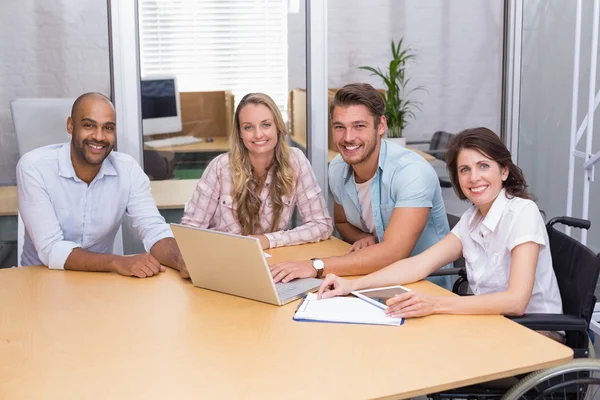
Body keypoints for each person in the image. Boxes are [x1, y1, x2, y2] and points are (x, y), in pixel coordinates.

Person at [318, 127, 563, 337]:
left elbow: (516, 301)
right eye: (464, 169)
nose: (474, 177)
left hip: (534, 334)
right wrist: (353, 285)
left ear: (504, 171)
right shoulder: (473, 219)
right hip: (491, 323)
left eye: (483, 166)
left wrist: (434, 304)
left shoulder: (522, 212)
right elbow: (418, 265)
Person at [270, 83, 450, 287]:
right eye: (340, 127)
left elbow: (394, 252)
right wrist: (367, 237)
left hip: (424, 286)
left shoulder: (411, 172)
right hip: (368, 278)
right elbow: (343, 223)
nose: (348, 138)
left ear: (381, 125)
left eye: (359, 126)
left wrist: (315, 266)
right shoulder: (338, 168)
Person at [17, 92, 188, 279]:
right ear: (70, 125)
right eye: (89, 125)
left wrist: (182, 260)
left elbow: (153, 229)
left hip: (101, 282)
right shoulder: (34, 167)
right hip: (40, 281)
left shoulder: (127, 169)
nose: (99, 137)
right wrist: (116, 262)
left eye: (108, 128)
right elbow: (51, 249)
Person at [181, 92, 333, 250]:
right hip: (224, 257)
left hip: (273, 259)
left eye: (266, 125)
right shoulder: (220, 167)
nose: (258, 134)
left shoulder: (295, 161)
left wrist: (268, 240)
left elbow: (321, 224)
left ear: (278, 127)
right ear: (240, 133)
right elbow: (190, 229)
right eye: (248, 127)